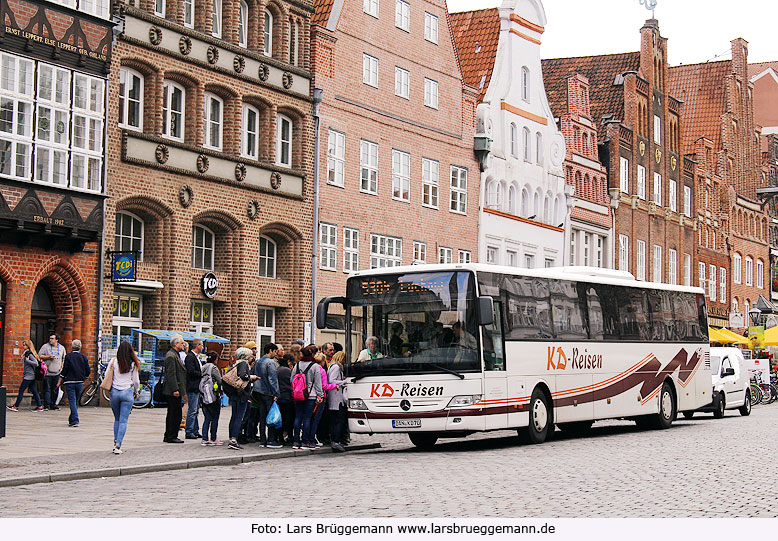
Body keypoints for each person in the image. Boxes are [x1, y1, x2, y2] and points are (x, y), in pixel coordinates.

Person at [110, 341, 140, 454]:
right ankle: (118, 445)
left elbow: (108, 375)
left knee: (117, 419)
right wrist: (136, 391)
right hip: (127, 391)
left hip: (114, 391)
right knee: (123, 420)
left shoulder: (113, 361)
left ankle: (115, 441)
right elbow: (136, 381)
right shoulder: (133, 364)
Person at [291, 346, 323, 450]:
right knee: (307, 418)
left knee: (298, 417)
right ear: (312, 354)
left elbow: (292, 379)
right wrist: (320, 395)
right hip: (310, 395)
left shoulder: (297, 365)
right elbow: (318, 382)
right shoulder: (315, 366)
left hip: (298, 394)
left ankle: (296, 441)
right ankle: (305, 441)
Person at [253, 342, 282, 448]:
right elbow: (272, 379)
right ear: (270, 351)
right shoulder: (270, 362)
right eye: (275, 351)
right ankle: (271, 440)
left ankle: (262, 440)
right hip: (268, 392)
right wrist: (276, 393)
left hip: (258, 391)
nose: (275, 353)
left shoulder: (258, 361)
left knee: (262, 417)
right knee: (272, 416)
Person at [227, 347, 257, 450]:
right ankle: (234, 439)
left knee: (234, 416)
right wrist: (251, 377)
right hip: (242, 395)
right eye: (250, 356)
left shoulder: (235, 364)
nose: (251, 358)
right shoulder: (244, 364)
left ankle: (231, 437)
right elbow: (243, 376)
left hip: (235, 394)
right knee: (239, 417)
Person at [60, 339, 90, 427]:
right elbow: (88, 370)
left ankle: (75, 420)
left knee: (72, 401)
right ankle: (72, 419)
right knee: (75, 401)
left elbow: (65, 369)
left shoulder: (68, 357)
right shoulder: (83, 357)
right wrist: (85, 377)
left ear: (72, 347)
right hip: (80, 382)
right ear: (80, 347)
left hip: (70, 381)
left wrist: (61, 377)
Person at [162, 335, 187, 443]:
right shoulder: (171, 356)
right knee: (174, 413)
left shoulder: (175, 355)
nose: (183, 345)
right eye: (182, 343)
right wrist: (175, 389)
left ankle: (170, 434)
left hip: (176, 388)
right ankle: (171, 435)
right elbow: (171, 374)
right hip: (172, 390)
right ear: (176, 344)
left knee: (174, 412)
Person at [7, 340, 43, 412]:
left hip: (29, 376)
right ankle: (39, 406)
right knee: (34, 391)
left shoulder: (29, 353)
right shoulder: (27, 353)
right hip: (30, 375)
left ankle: (16, 406)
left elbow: (36, 363)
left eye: (24, 345)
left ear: (28, 346)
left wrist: (27, 361)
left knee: (21, 390)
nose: (23, 346)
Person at [313, 352, 339, 446]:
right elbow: (324, 386)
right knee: (316, 420)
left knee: (310, 419)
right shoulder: (321, 370)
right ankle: (312, 438)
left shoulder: (312, 368)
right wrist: (335, 386)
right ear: (323, 361)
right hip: (320, 397)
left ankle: (308, 438)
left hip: (311, 396)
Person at [199, 351, 223, 446]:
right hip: (213, 395)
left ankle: (204, 439)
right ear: (215, 359)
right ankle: (213, 438)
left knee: (207, 418)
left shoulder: (203, 367)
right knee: (215, 418)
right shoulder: (213, 368)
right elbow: (219, 381)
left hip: (204, 395)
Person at [327, 351, 348, 452]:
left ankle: (335, 440)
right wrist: (344, 382)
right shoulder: (336, 367)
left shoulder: (332, 366)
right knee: (339, 419)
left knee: (335, 419)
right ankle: (335, 440)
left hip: (335, 397)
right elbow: (332, 380)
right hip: (336, 397)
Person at [38, 334, 65, 410]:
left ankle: (54, 404)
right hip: (47, 372)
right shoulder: (45, 347)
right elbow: (39, 356)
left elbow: (63, 359)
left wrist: (62, 368)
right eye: (50, 338)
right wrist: (48, 357)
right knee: (47, 389)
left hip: (57, 372)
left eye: (52, 338)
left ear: (57, 340)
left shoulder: (61, 348)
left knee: (55, 389)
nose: (50, 340)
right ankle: (47, 405)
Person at [184, 338, 204, 439]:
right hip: (193, 386)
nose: (203, 347)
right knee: (192, 409)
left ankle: (195, 430)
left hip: (197, 386)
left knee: (196, 410)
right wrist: (202, 373)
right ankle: (189, 431)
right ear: (197, 346)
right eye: (202, 345)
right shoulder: (190, 357)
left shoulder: (196, 357)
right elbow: (191, 371)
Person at [276, 352, 294, 445]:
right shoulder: (286, 370)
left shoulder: (278, 369)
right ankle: (285, 436)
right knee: (287, 418)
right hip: (287, 396)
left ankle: (280, 437)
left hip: (280, 396)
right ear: (289, 361)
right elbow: (290, 383)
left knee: (281, 418)